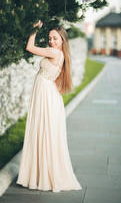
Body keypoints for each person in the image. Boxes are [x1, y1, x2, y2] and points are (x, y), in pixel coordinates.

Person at [16, 20, 82, 193]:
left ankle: (42, 176)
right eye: (50, 38)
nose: (52, 41)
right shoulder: (61, 54)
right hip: (48, 95)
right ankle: (42, 175)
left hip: (46, 96)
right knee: (46, 133)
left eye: (55, 38)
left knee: (42, 132)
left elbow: (30, 47)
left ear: (62, 40)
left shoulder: (54, 52)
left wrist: (33, 29)